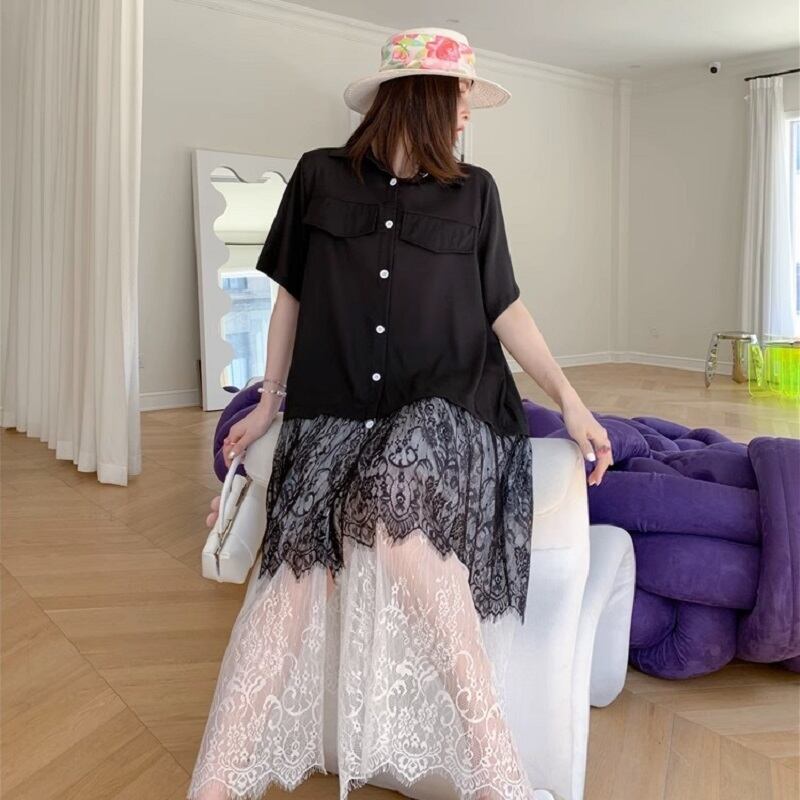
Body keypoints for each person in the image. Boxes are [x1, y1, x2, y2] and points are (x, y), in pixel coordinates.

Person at [187, 27, 613, 800]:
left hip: (445, 403)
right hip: (333, 406)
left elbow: (504, 307)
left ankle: (499, 774)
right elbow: (291, 298)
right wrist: (268, 401)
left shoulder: (476, 191)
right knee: (292, 572)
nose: (467, 115)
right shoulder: (318, 177)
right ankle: (212, 785)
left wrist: (571, 400)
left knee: (396, 515)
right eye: (461, 98)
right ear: (421, 97)